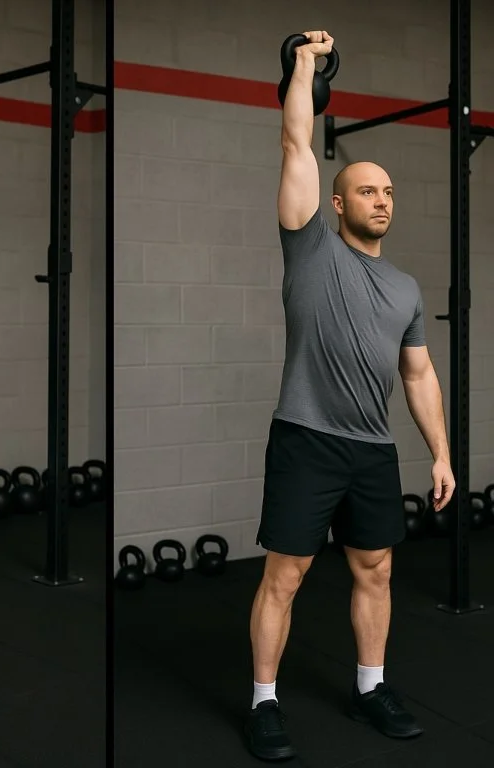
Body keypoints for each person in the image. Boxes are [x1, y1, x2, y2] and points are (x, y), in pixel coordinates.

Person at [243, 31, 456, 761]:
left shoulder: (405, 287)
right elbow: (296, 142)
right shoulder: (309, 244)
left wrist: (440, 453)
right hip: (306, 437)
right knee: (286, 575)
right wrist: (304, 64)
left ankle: (371, 686)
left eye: (390, 192)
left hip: (372, 448)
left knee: (378, 569)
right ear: (336, 201)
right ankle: (264, 701)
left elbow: (418, 374)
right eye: (368, 189)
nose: (382, 199)